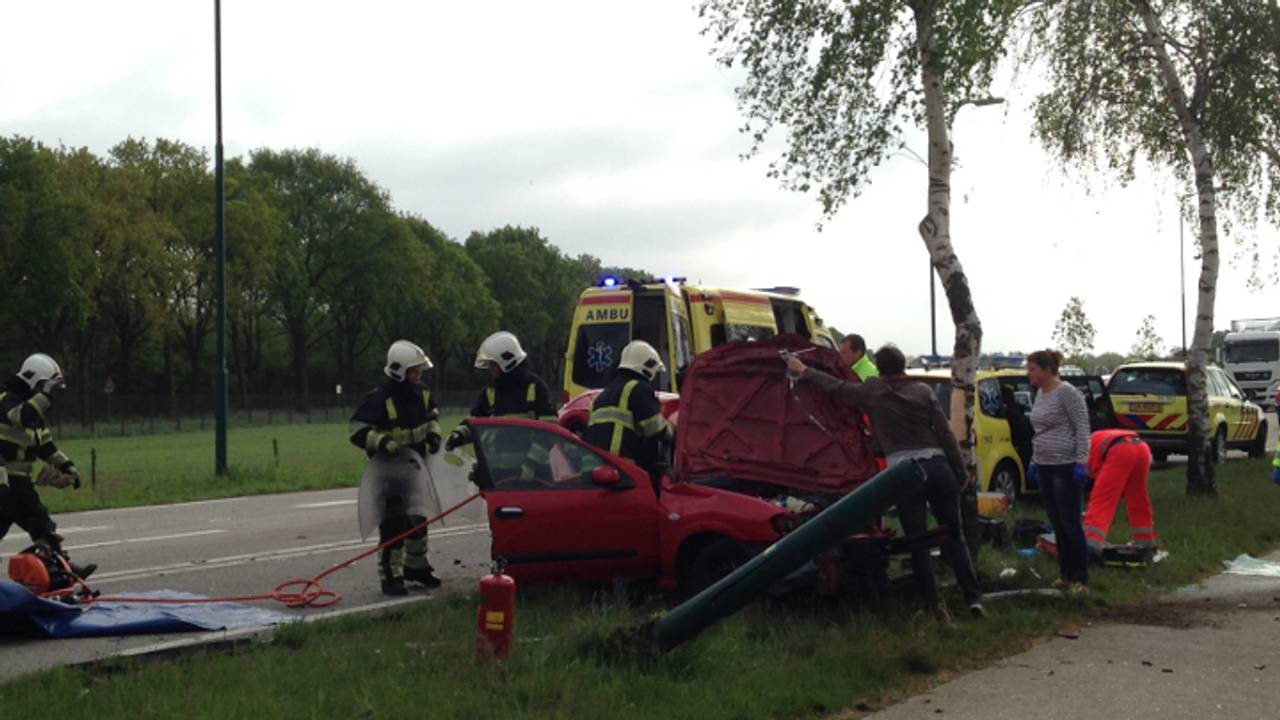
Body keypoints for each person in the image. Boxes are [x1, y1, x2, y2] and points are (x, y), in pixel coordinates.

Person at [787, 344, 984, 620]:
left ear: (878, 367)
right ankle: (973, 597)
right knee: (954, 534)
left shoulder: (873, 390)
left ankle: (931, 605)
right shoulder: (923, 392)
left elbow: (837, 388)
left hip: (905, 473)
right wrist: (961, 474)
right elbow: (946, 435)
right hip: (938, 467)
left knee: (917, 541)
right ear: (903, 364)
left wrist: (804, 371)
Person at [349, 340, 443, 596]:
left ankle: (416, 568)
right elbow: (357, 430)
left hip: (416, 471)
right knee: (393, 527)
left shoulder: (421, 393)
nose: (419, 375)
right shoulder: (379, 399)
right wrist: (381, 441)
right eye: (414, 371)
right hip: (388, 475)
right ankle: (391, 577)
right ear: (399, 370)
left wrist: (434, 435)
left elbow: (433, 416)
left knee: (418, 522)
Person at [0, 353, 96, 580]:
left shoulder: (35, 413)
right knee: (39, 521)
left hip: (18, 480)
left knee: (36, 522)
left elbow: (46, 446)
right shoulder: (8, 400)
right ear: (32, 379)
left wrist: (68, 466)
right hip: (4, 478)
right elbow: (21, 417)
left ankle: (61, 568)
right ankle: (62, 569)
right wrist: (45, 395)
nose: (48, 393)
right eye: (44, 386)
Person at [445, 332, 557, 480]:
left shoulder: (536, 388)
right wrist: (459, 435)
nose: (490, 369)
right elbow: (475, 421)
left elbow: (550, 432)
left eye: (492, 364)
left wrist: (531, 465)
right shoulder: (490, 391)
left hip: (533, 478)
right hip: (496, 476)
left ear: (507, 362)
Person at [1026, 349, 1092, 594]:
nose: (1028, 373)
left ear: (1046, 369)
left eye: (1032, 368)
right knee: (1056, 523)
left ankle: (1080, 579)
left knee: (1070, 522)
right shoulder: (1040, 394)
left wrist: (1082, 462)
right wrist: (1034, 460)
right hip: (1044, 463)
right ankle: (1065, 574)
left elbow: (1082, 427)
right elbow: (1039, 431)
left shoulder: (1067, 393)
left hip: (1065, 465)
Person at [583, 340, 674, 481]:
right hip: (622, 471)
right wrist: (673, 428)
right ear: (648, 366)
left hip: (594, 470)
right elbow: (655, 430)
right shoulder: (639, 389)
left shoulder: (605, 394)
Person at [1083, 429, 1158, 553]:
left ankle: (1090, 543)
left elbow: (1093, 482)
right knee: (1138, 498)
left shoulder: (1080, 454)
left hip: (1119, 450)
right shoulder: (1093, 439)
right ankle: (1146, 542)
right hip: (1142, 447)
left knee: (1102, 500)